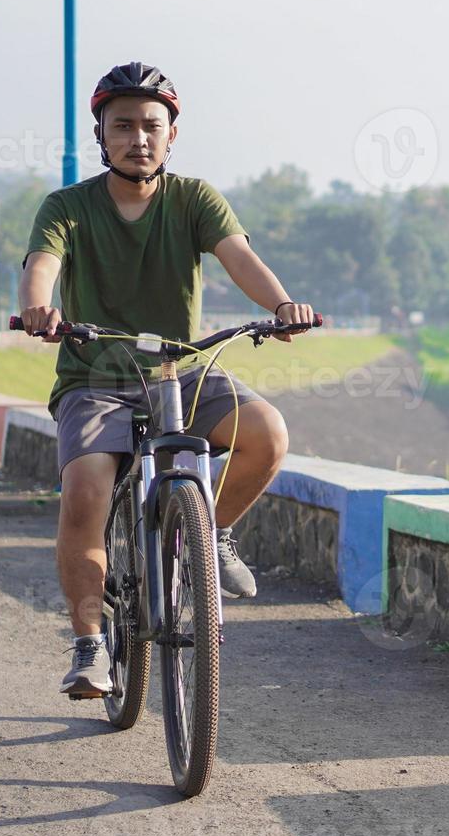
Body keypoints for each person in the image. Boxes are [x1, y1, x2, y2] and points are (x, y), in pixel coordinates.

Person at [17, 62, 314, 697]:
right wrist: (41, 306)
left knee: (267, 432)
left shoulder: (195, 199)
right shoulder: (68, 205)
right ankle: (90, 644)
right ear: (101, 132)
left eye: (152, 125)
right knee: (87, 494)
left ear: (172, 134)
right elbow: (44, 261)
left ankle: (210, 538)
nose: (138, 138)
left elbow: (240, 258)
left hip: (179, 370)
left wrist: (282, 306)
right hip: (94, 378)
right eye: (122, 125)